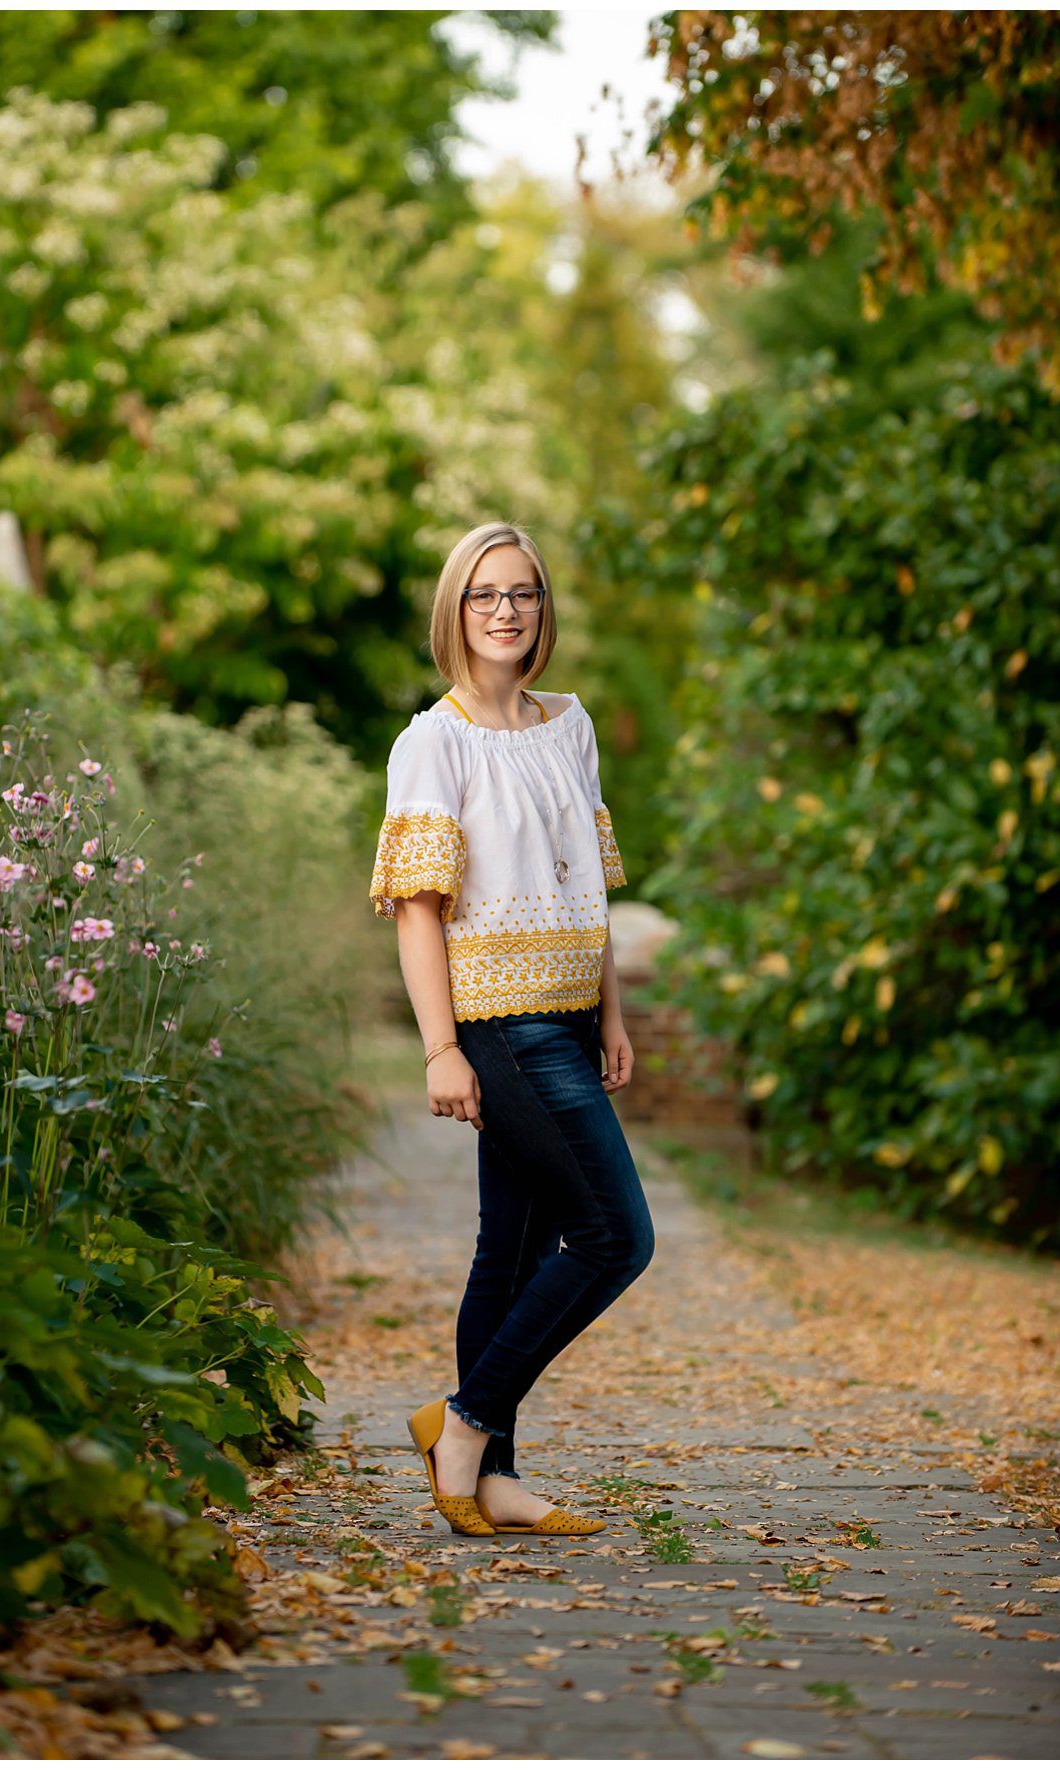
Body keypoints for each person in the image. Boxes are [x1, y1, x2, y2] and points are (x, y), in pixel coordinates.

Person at [368, 520, 652, 1538]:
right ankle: (464, 1423)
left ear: (542, 608)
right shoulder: (432, 742)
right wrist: (441, 1048)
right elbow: (418, 910)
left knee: (515, 1247)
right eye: (484, 593)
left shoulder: (567, 725)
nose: (505, 610)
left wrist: (610, 1013)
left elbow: (589, 889)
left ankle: (491, 1479)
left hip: (570, 1018)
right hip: (501, 1024)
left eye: (522, 592)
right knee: (615, 1236)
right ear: (455, 610)